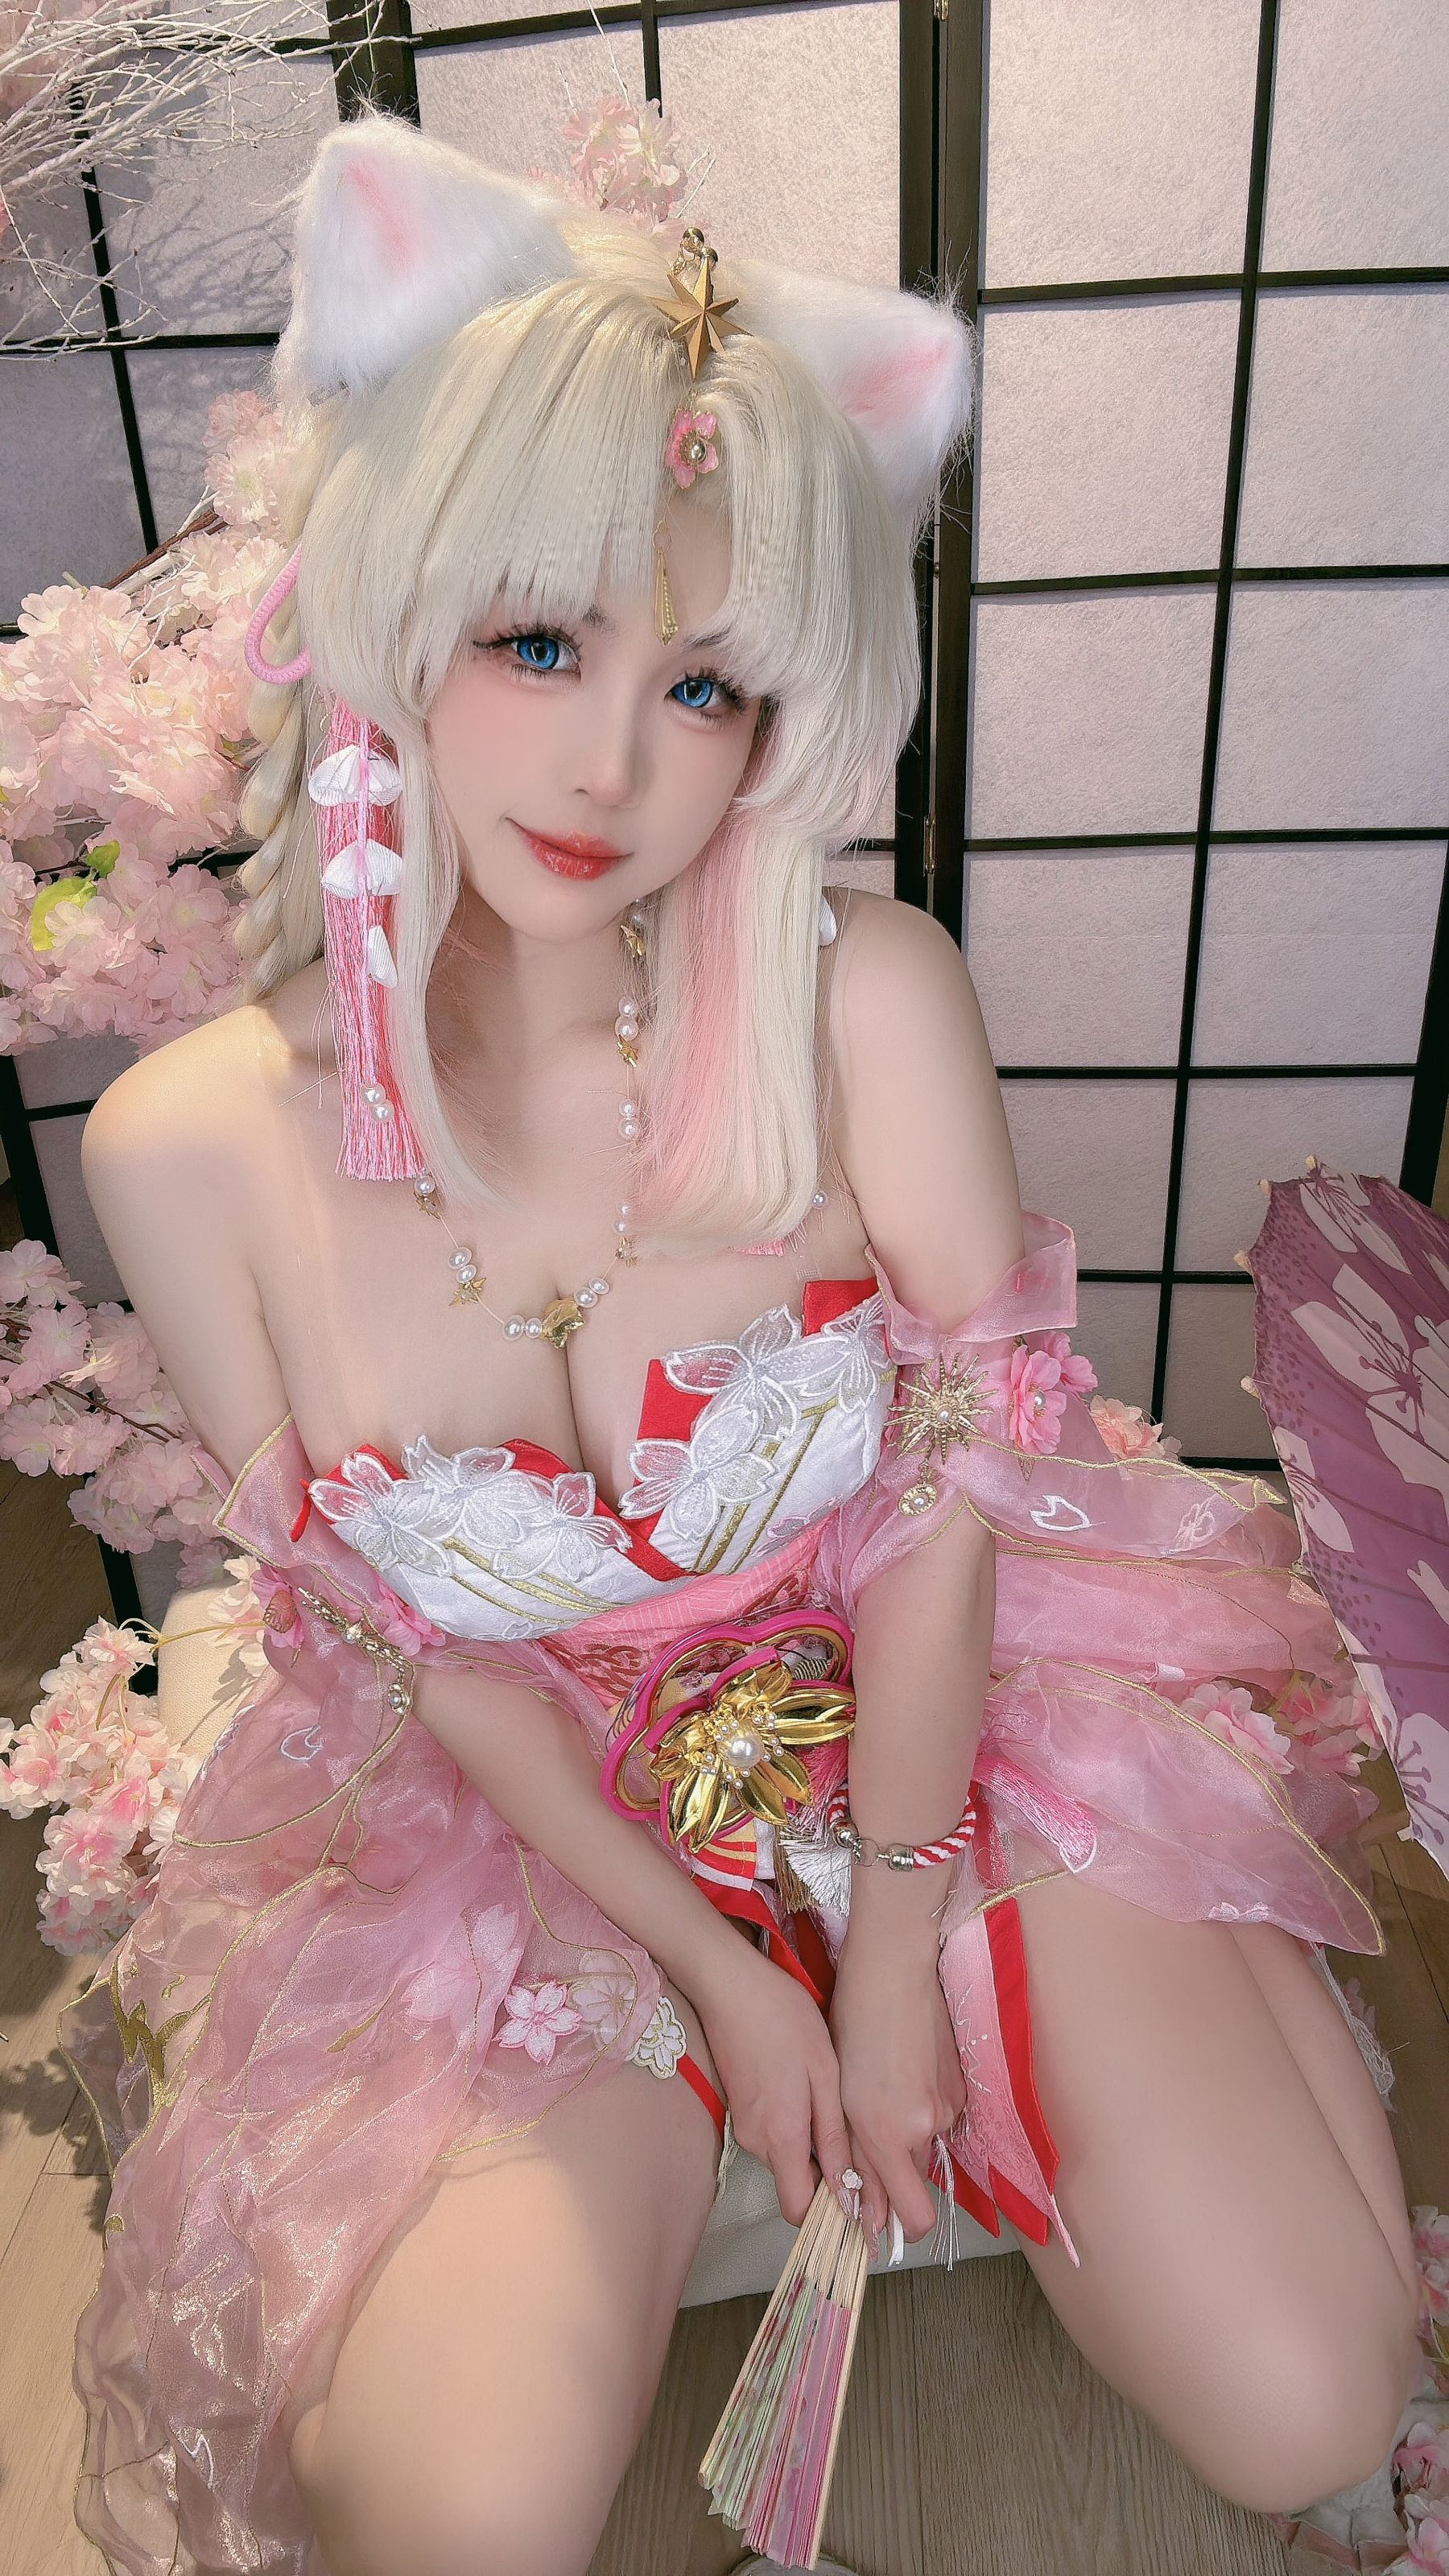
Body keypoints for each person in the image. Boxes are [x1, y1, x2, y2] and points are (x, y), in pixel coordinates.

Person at [64, 112, 1418, 2576]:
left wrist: (885, 1947)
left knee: (1304, 2390)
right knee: (460, 2524)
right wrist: (718, 1966)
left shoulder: (861, 997)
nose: (613, 763)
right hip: (529, 1815)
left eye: (703, 683)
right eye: (540, 641)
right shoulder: (189, 1147)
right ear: (389, 612)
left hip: (956, 1714)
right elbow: (407, 1649)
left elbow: (963, 1500)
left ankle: (1158, 2037)